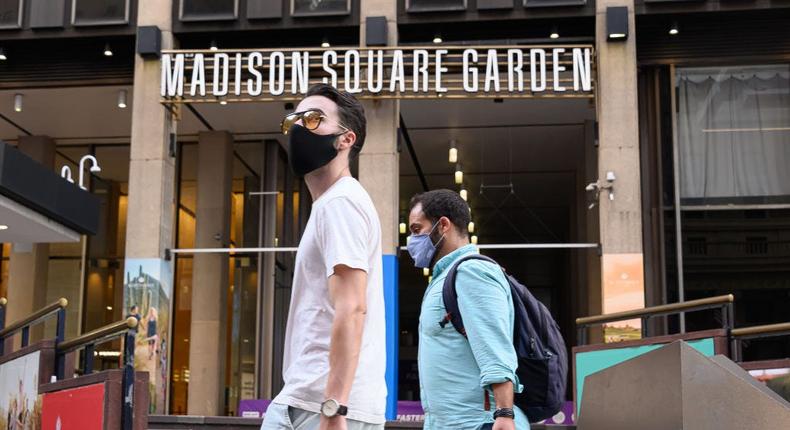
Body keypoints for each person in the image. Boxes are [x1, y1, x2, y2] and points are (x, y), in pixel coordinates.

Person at [261, 84, 386, 430]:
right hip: (310, 402)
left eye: (314, 119)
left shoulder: (340, 203)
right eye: (295, 120)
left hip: (320, 408)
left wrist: (334, 408)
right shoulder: (332, 204)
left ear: (346, 139)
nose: (300, 128)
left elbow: (352, 307)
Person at [406, 189, 528, 430]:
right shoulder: (445, 277)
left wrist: (504, 414)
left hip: (479, 423)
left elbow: (494, 344)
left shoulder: (471, 272)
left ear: (442, 225)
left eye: (417, 230)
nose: (411, 241)